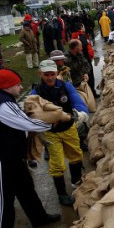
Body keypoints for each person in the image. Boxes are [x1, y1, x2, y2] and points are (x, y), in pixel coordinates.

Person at [0, 68, 62, 228]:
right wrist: (54, 123)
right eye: (17, 84)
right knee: (4, 197)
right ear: (8, 86)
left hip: (12, 155)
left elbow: (23, 119)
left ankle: (39, 218)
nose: (21, 87)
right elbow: (27, 123)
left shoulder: (6, 99)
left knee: (26, 187)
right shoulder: (2, 105)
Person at [30, 60, 88, 206]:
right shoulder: (36, 92)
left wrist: (81, 113)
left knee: (75, 155)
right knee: (57, 164)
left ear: (56, 73)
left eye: (52, 74)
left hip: (69, 128)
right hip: (50, 133)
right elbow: (31, 112)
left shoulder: (65, 86)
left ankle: (76, 182)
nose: (50, 78)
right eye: (46, 75)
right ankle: (61, 194)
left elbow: (77, 101)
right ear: (40, 74)